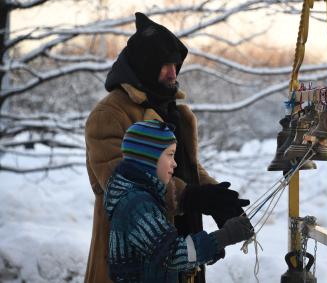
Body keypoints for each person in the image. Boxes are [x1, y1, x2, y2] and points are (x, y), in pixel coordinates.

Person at [84, 12, 249, 283]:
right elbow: (119, 181)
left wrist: (217, 196)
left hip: (181, 246)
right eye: (164, 65)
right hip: (136, 260)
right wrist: (192, 197)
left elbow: (186, 166)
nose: (173, 73)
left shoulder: (172, 110)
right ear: (144, 65)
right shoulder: (109, 114)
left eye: (176, 64)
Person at [105, 120, 253, 282]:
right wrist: (224, 237)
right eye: (170, 155)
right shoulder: (138, 205)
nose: (175, 163)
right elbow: (172, 254)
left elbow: (158, 256)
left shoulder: (144, 197)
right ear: (148, 159)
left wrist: (209, 249)